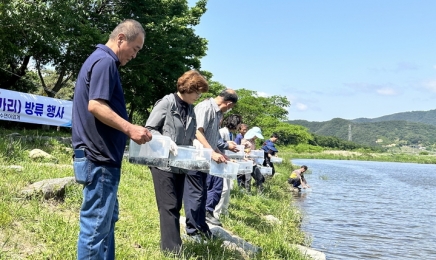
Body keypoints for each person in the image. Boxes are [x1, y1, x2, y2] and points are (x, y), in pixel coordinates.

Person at [72, 19, 152, 259]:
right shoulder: (105, 61)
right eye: (135, 49)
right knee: (95, 228)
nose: (135, 55)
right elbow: (95, 105)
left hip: (101, 159)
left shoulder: (100, 60)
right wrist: (130, 129)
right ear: (121, 39)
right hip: (99, 159)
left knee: (106, 222)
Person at [145, 70, 209, 254]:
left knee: (176, 205)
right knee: (169, 205)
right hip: (162, 163)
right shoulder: (166, 103)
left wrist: (194, 142)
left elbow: (191, 132)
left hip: (180, 164)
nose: (198, 96)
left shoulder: (190, 108)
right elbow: (150, 128)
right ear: (188, 88)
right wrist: (165, 141)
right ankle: (172, 250)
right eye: (197, 92)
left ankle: (172, 245)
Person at [183, 89, 237, 238]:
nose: (229, 109)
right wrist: (211, 152)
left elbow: (211, 137)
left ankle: (201, 227)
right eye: (230, 107)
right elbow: (197, 132)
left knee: (202, 193)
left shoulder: (218, 112)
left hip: (206, 159)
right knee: (195, 194)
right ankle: (192, 230)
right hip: (196, 157)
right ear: (228, 103)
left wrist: (220, 153)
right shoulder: (206, 107)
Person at [214, 114, 242, 220]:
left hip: (226, 162)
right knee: (223, 188)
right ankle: (216, 212)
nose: (239, 126)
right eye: (239, 124)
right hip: (220, 162)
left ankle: (224, 212)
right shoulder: (222, 132)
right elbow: (219, 146)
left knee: (228, 188)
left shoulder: (230, 134)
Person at [241, 127, 265, 192]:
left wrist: (257, 151)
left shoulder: (253, 141)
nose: (256, 137)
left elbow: (253, 150)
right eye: (256, 136)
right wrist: (245, 151)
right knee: (248, 178)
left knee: (260, 177)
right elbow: (240, 150)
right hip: (247, 162)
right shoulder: (245, 140)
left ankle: (260, 193)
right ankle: (248, 193)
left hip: (253, 162)